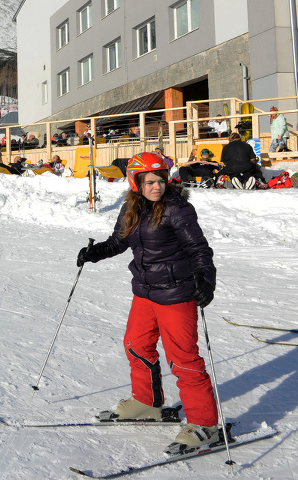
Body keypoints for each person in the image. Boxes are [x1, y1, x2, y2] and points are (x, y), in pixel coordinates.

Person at [76, 153, 219, 453]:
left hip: (177, 294)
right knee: (136, 344)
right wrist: (95, 253)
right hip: (144, 292)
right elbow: (119, 240)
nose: (157, 186)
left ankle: (205, 423)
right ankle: (147, 402)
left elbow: (199, 249)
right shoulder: (132, 207)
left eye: (162, 180)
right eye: (150, 181)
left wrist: (205, 280)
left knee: (183, 359)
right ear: (136, 183)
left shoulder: (177, 209)